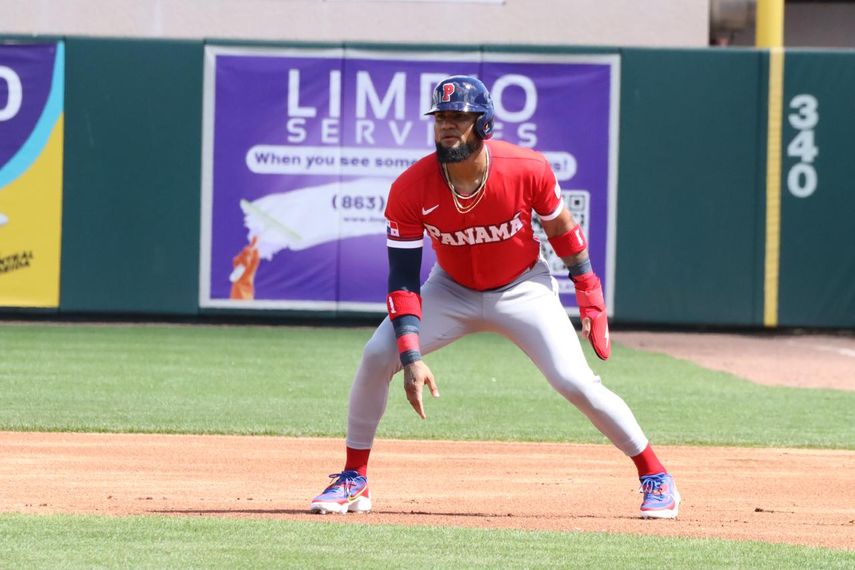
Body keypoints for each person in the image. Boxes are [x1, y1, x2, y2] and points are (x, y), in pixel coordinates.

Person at [310, 75, 680, 519]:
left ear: (484, 124)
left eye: (460, 118)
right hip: (450, 289)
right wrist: (410, 357)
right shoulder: (410, 188)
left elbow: (561, 229)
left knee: (574, 381)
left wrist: (589, 295)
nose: (448, 126)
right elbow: (403, 280)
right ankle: (354, 478)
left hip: (523, 287)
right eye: (441, 117)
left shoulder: (525, 168)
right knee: (376, 355)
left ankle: (655, 475)